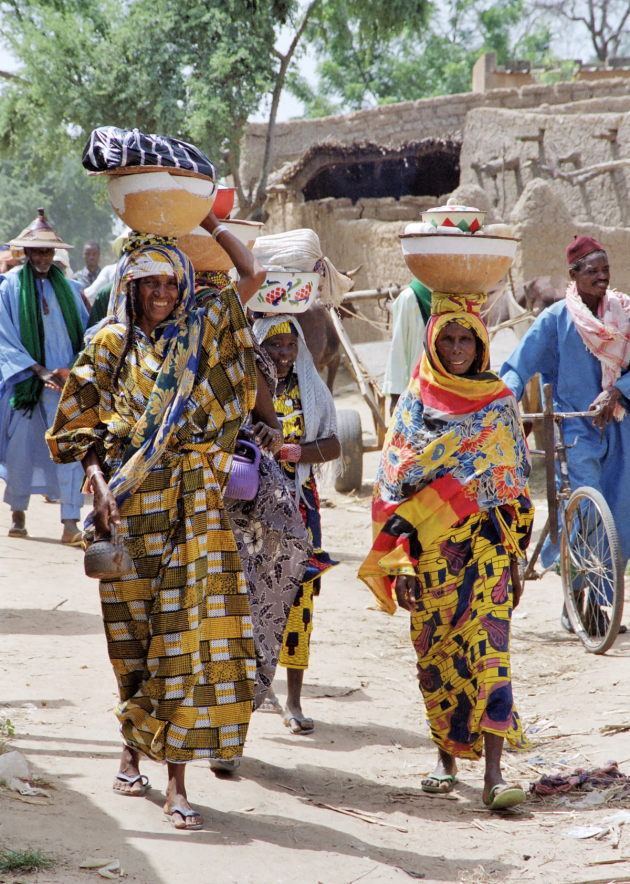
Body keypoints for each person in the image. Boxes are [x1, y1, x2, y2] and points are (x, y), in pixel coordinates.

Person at [46, 214, 266, 830]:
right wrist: (95, 479)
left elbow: (251, 273)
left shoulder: (203, 328)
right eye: (150, 284)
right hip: (128, 512)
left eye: (171, 283)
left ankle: (176, 782)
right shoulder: (109, 345)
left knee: (185, 639)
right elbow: (81, 426)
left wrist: (207, 218)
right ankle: (129, 745)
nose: (163, 295)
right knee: (131, 640)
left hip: (194, 507)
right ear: (130, 288)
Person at [359, 291, 534, 810]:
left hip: (488, 551)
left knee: (492, 655)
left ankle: (496, 775)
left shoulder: (499, 402)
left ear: (481, 344)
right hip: (432, 556)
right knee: (435, 656)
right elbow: (392, 489)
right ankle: (446, 754)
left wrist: (515, 556)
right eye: (448, 339)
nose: (457, 348)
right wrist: (401, 561)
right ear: (433, 343)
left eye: (466, 339)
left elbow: (515, 485)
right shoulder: (415, 404)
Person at [500, 235, 630, 632]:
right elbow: (518, 369)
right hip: (575, 433)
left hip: (622, 432)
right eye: (592, 271)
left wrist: (618, 390)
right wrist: (503, 407)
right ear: (574, 275)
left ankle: (599, 602)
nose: (602, 277)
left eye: (605, 269)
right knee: (585, 518)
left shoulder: (624, 314)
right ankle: (578, 603)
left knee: (620, 518)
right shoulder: (556, 319)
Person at [253, 315, 341, 735]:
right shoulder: (245, 388)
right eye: (274, 346)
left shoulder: (311, 388)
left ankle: (293, 700)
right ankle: (249, 692)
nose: (284, 354)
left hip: (299, 506)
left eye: (290, 345)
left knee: (298, 601)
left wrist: (291, 451)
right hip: (249, 509)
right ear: (259, 349)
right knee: (248, 597)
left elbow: (334, 444)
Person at [0, 209, 88, 543]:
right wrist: (37, 371)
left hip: (64, 387)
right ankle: (18, 514)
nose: (42, 257)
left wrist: (72, 369)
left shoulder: (70, 287)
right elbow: (3, 335)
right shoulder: (8, 287)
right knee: (21, 452)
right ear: (25, 253)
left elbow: (84, 334)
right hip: (24, 384)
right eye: (36, 251)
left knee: (70, 452)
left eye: (47, 251)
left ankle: (70, 523)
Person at [382, 278, 432, 414]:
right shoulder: (410, 297)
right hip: (419, 389)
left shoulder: (457, 293)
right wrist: (396, 395)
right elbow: (399, 346)